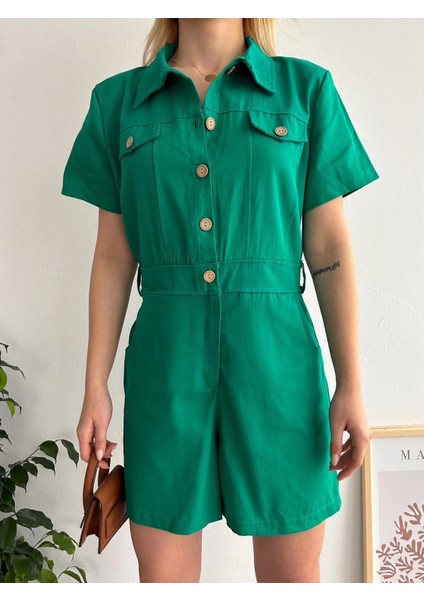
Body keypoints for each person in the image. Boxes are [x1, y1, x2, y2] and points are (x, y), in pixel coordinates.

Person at [61, 18, 379, 583]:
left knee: (293, 581)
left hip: (279, 370)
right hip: (165, 370)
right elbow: (112, 256)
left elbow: (329, 245)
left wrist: (351, 382)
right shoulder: (118, 103)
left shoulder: (306, 91)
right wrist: (95, 386)